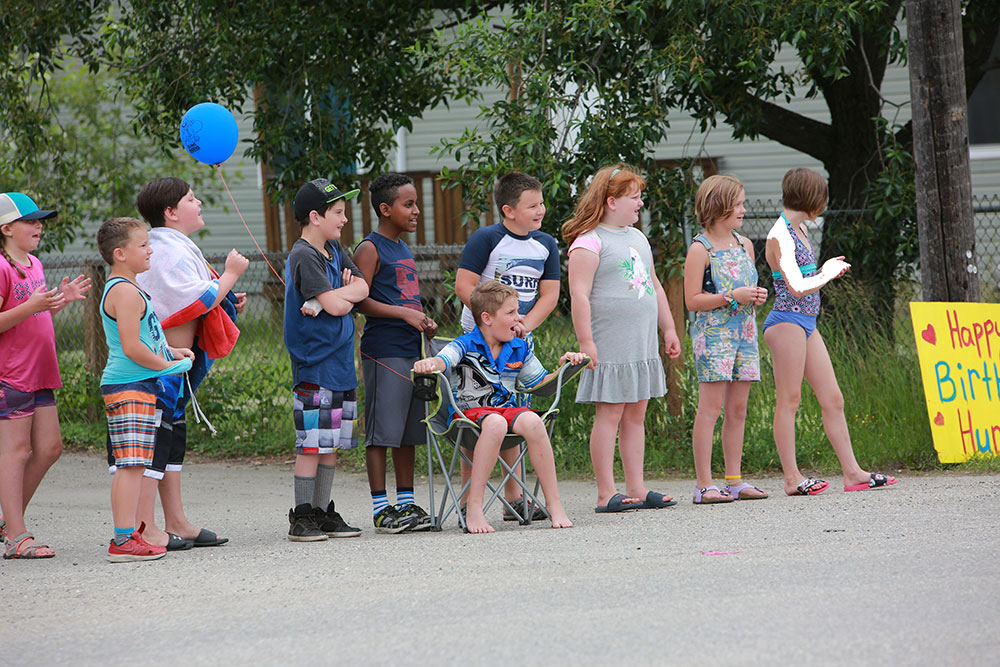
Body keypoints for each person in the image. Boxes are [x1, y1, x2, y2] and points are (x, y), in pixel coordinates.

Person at [126, 177, 247, 550]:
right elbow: (189, 300)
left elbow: (199, 297)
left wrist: (227, 298)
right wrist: (229, 275)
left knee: (173, 438)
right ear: (171, 212)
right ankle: (144, 525)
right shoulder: (166, 251)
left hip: (177, 366)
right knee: (157, 441)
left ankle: (175, 518)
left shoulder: (174, 246)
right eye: (192, 199)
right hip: (158, 366)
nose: (199, 204)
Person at [763, 168, 898, 495]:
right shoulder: (779, 235)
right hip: (787, 321)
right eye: (821, 197)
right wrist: (828, 272)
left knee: (832, 398)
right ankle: (792, 478)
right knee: (789, 400)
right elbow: (795, 287)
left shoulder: (801, 230)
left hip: (807, 323)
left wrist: (823, 269)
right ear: (811, 198)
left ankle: (852, 472)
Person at [413, 280, 579, 534]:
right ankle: (475, 506)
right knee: (496, 422)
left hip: (505, 409)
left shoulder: (519, 346)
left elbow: (542, 384)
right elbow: (443, 360)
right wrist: (428, 364)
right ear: (487, 318)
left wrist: (567, 365)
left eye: (517, 311)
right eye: (511, 312)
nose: (519, 317)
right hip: (467, 415)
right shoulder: (465, 344)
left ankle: (554, 503)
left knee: (533, 422)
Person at [563, 164, 682, 513]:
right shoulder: (589, 242)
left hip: (640, 342)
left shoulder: (637, 238)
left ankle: (637, 487)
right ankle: (606, 492)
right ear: (611, 201)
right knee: (610, 414)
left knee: (636, 415)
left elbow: (655, 286)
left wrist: (669, 328)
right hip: (610, 342)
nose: (640, 203)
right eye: (634, 197)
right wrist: (587, 342)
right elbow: (579, 295)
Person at [453, 171, 559, 520]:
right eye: (532, 205)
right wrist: (492, 325)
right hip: (479, 343)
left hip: (517, 342)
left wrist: (522, 325)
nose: (540, 210)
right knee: (481, 415)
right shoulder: (487, 238)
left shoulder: (545, 244)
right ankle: (471, 500)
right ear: (509, 210)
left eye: (541, 203)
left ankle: (513, 499)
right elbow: (464, 284)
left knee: (511, 409)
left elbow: (550, 294)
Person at [97, 217, 195, 562]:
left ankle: (131, 535)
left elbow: (148, 339)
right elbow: (131, 348)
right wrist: (168, 366)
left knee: (136, 464)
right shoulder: (123, 291)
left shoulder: (132, 287)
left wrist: (170, 352)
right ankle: (123, 540)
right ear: (120, 254)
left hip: (141, 384)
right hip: (129, 386)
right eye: (142, 246)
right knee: (130, 465)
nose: (149, 250)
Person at [0, 192, 91, 559]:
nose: (39, 226)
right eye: (31, 221)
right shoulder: (1, 267)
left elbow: (33, 318)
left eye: (41, 220)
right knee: (16, 451)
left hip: (40, 372)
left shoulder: (34, 263)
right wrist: (30, 306)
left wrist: (58, 301)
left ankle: (7, 517)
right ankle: (17, 536)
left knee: (51, 447)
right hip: (11, 374)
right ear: (6, 228)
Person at [353, 173, 437, 533]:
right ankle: (380, 510)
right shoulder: (370, 248)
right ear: (385, 209)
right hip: (383, 351)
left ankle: (406, 503)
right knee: (382, 432)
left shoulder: (402, 247)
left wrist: (421, 320)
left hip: (410, 350)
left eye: (416, 203)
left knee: (408, 430)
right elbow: (360, 300)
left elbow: (405, 298)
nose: (416, 210)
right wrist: (404, 313)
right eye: (408, 204)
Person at [285, 178, 368, 541]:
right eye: (337, 212)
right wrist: (335, 297)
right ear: (315, 217)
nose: (344, 219)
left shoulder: (336, 249)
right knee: (312, 444)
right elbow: (337, 304)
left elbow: (363, 288)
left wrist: (335, 296)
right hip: (314, 366)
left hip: (339, 366)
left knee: (331, 443)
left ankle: (322, 511)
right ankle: (302, 516)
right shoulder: (303, 254)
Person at [683, 175, 769, 504]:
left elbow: (742, 291)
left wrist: (753, 296)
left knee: (738, 408)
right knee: (710, 409)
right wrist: (732, 295)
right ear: (719, 206)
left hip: (745, 334)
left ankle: (734, 480)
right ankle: (704, 484)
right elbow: (692, 300)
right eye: (738, 204)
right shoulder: (699, 249)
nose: (743, 210)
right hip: (714, 336)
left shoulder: (744, 244)